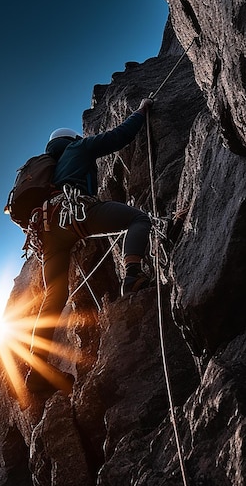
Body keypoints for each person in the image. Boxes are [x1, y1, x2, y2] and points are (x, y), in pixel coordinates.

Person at [25, 98, 155, 396]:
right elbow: (119, 137)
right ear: (72, 139)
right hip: (76, 214)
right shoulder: (78, 148)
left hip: (46, 232)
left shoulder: (47, 171)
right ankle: (133, 276)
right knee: (138, 219)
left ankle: (36, 367)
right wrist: (140, 110)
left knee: (53, 298)